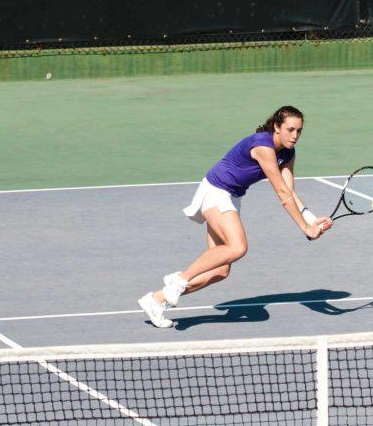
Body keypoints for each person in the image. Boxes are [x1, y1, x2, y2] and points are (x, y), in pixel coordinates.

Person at [138, 105, 333, 328]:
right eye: (290, 129)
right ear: (276, 127)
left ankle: (156, 299)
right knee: (238, 247)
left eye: (299, 131)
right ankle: (178, 280)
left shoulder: (288, 153)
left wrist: (309, 217)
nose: (295, 135)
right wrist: (304, 229)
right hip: (216, 190)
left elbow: (290, 191)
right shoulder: (263, 146)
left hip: (232, 197)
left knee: (221, 270)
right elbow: (280, 192)